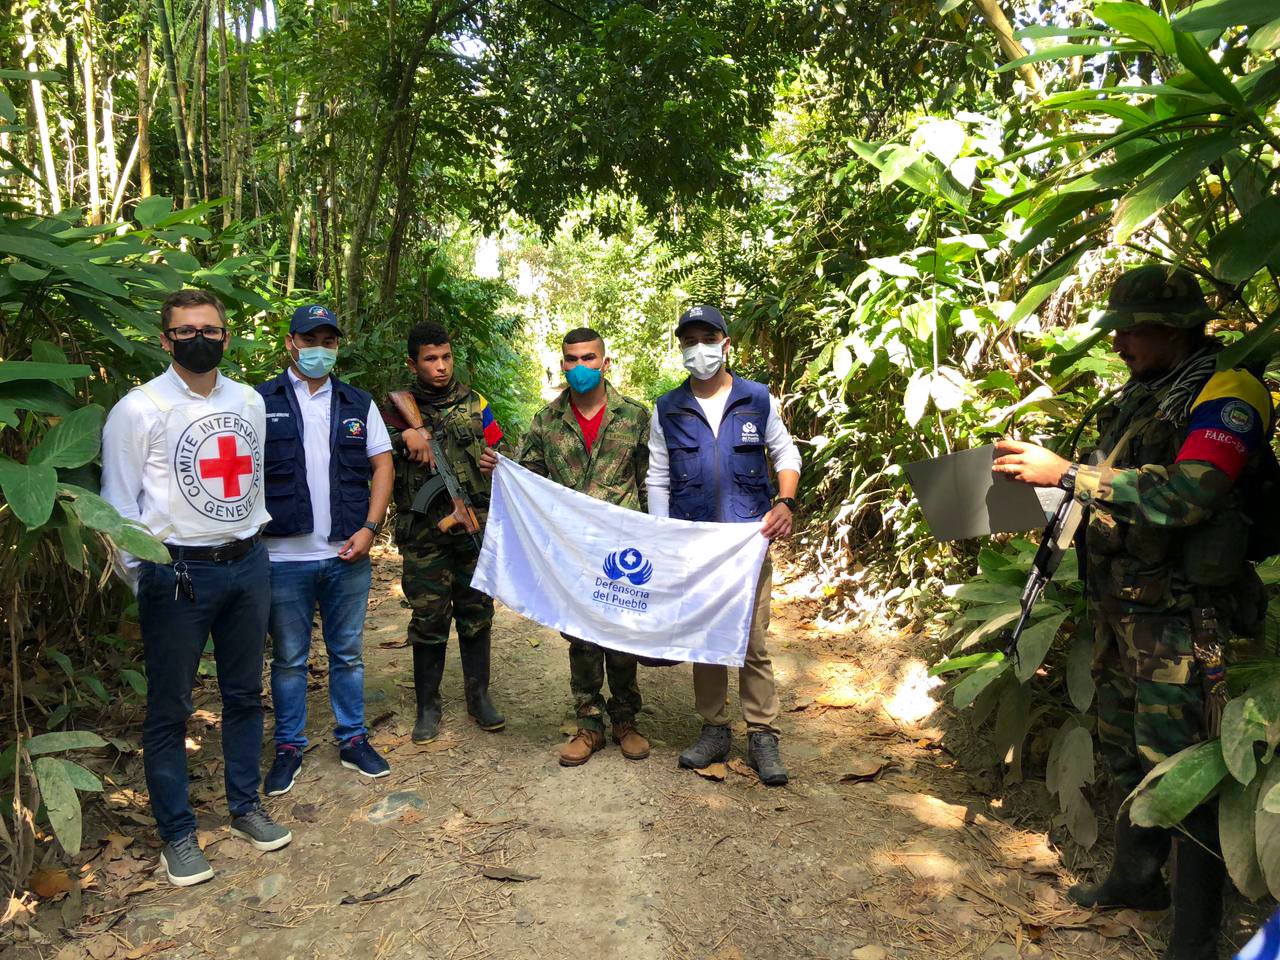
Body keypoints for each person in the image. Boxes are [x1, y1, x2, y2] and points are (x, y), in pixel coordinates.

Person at [994, 265, 1272, 960]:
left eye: (1131, 329)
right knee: (1125, 750)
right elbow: (1113, 487)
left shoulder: (1227, 393)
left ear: (1173, 330)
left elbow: (1191, 493)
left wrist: (1066, 473)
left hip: (1183, 618)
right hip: (1125, 608)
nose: (1117, 342)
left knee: (1181, 769)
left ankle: (1193, 937)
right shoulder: (1144, 393)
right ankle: (1136, 878)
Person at [101, 289, 292, 888]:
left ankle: (245, 807)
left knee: (243, 694)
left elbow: (248, 479)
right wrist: (150, 576)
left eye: (209, 329)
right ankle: (177, 835)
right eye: (184, 331)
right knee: (170, 708)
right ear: (165, 339)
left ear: (227, 336)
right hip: (177, 573)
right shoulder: (140, 408)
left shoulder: (249, 401)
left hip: (248, 563)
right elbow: (117, 509)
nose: (198, 339)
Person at [646, 305, 802, 786]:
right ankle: (714, 729)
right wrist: (663, 536)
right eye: (689, 340)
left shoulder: (757, 399)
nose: (699, 349)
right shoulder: (667, 408)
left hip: (747, 542)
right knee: (707, 638)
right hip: (695, 545)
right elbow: (658, 476)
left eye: (707, 338)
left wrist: (786, 502)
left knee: (752, 640)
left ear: (725, 342)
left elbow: (785, 451)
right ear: (681, 348)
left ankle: (762, 734)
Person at [256, 305, 395, 796]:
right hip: (281, 558)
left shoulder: (358, 402)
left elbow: (382, 465)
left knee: (348, 654)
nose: (321, 349)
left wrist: (370, 528)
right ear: (290, 342)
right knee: (290, 659)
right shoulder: (258, 400)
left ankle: (353, 738)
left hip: (346, 553)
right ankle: (289, 746)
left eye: (329, 341)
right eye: (311, 339)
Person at [512, 327, 652, 766]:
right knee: (581, 636)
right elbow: (528, 480)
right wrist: (499, 469)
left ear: (605, 363)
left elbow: (651, 482)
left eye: (589, 358)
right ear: (562, 365)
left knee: (623, 632)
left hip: (622, 550)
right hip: (571, 547)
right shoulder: (546, 421)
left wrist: (656, 541)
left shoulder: (635, 416)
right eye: (571, 360)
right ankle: (589, 723)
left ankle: (626, 719)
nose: (579, 367)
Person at [384, 322, 505, 743]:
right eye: (430, 359)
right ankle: (427, 708)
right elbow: (371, 447)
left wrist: (495, 461)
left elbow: (496, 448)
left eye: (446, 357)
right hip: (423, 535)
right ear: (412, 363)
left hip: (472, 527)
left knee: (477, 613)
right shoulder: (394, 408)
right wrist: (405, 435)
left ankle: (479, 698)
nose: (440, 367)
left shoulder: (476, 403)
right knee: (428, 618)